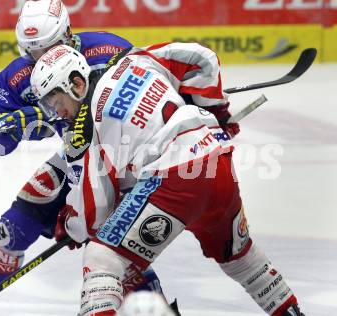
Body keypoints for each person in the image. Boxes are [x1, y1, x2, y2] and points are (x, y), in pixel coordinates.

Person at [30, 43, 305, 315]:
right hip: (216, 160)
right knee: (239, 257)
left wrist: (69, 224)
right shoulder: (131, 60)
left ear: (76, 84)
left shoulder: (84, 130)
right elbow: (201, 58)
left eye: (57, 102)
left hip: (176, 179)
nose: (59, 114)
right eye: (50, 106)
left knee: (101, 258)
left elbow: (94, 216)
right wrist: (215, 109)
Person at [0, 1, 173, 315]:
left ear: (68, 33)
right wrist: (9, 129)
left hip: (128, 161)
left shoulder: (109, 50)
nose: (45, 59)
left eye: (51, 47)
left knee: (116, 249)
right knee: (15, 224)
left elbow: (157, 91)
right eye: (35, 53)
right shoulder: (18, 77)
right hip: (77, 158)